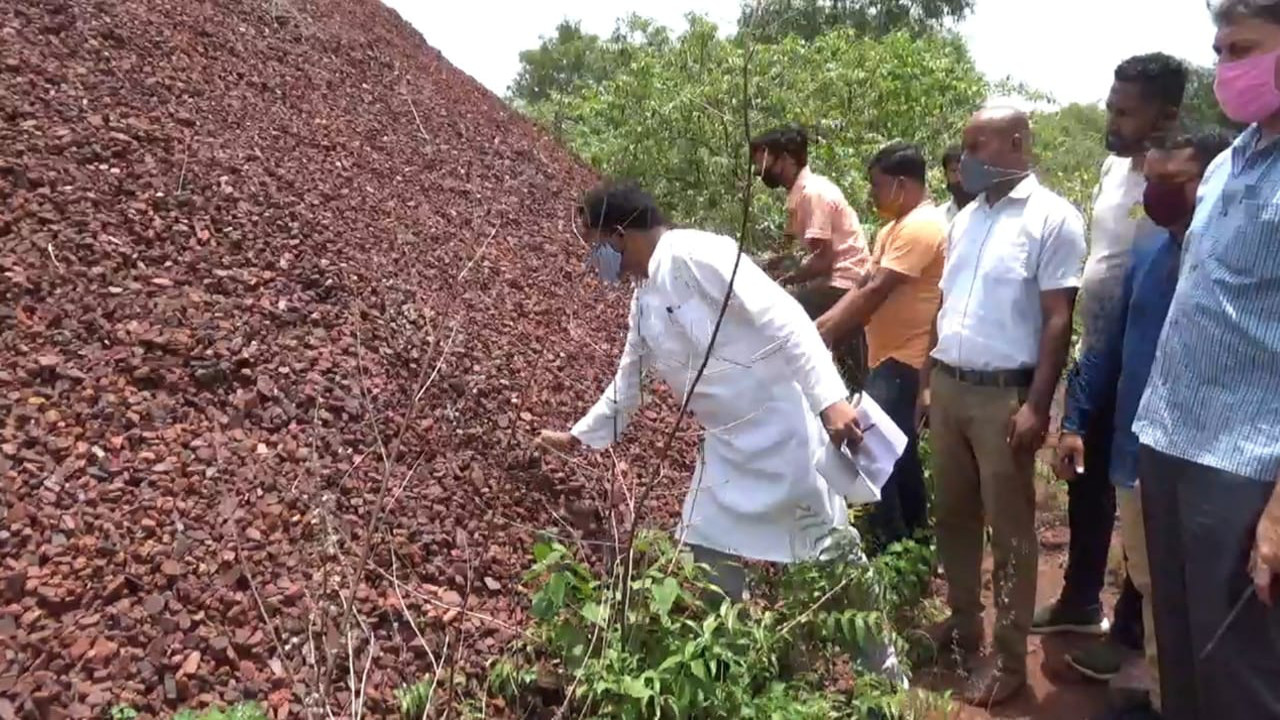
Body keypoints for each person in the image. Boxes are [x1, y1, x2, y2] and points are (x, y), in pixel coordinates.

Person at [536, 180, 867, 605]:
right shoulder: (643, 299)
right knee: (704, 541)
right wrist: (578, 437)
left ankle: (875, 643)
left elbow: (786, 318)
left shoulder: (698, 254)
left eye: (594, 245)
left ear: (619, 235)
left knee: (828, 549)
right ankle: (736, 636)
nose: (593, 260)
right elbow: (629, 380)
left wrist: (829, 401)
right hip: (727, 446)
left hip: (782, 433)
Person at [1129, 2, 1280, 717]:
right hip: (1171, 440)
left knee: (1241, 674)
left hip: (1245, 466)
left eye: (1243, 49)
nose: (1225, 68)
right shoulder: (1227, 164)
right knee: (1183, 656)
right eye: (1219, 52)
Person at [1055, 130, 1234, 720]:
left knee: (1213, 597)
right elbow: (1106, 345)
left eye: (1171, 181)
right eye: (1150, 180)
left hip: (1212, 458)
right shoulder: (1147, 254)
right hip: (1137, 450)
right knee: (1155, 585)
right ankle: (1164, 696)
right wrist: (1075, 421)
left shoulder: (1234, 264)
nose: (1155, 193)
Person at [928, 107, 1087, 706]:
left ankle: (1010, 657)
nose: (965, 159)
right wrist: (927, 382)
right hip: (950, 385)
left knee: (1011, 529)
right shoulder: (966, 218)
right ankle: (963, 623)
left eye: (978, 146)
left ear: (1016, 142)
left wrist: (1037, 406)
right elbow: (943, 304)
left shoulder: (1053, 219)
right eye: (965, 146)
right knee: (954, 515)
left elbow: (1057, 319)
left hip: (1004, 396)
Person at [1034, 53, 1188, 655]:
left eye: (1125, 113)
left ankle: (1133, 631)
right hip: (1099, 348)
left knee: (1143, 494)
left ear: (1165, 115)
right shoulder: (1112, 169)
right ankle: (1080, 600)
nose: (1112, 120)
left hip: (1149, 356)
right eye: (1110, 107)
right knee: (1088, 475)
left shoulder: (1180, 183)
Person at [814, 142, 945, 550]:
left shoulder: (923, 226)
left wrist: (823, 333)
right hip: (886, 356)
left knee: (872, 450)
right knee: (899, 452)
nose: (872, 194)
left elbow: (877, 292)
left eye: (877, 185)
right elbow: (862, 284)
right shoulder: (892, 229)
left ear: (902, 185)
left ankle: (891, 545)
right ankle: (915, 541)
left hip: (907, 359)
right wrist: (821, 328)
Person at [750, 125, 873, 390]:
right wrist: (763, 265)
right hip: (835, 280)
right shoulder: (799, 195)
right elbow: (790, 251)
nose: (759, 171)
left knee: (778, 320)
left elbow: (822, 261)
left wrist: (784, 279)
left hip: (844, 282)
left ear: (786, 159)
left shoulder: (813, 194)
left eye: (763, 163)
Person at [941, 145, 975, 223]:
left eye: (963, 170)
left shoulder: (986, 213)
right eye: (954, 171)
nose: (959, 177)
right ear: (946, 175)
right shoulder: (940, 217)